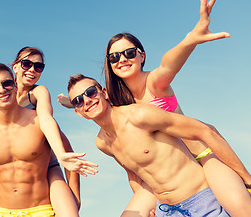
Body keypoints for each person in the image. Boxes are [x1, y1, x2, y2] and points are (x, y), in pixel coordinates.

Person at [59, 0, 251, 215]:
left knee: (241, 208)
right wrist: (69, 103)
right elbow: (91, 103)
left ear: (141, 56)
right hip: (167, 181)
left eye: (129, 53)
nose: (122, 59)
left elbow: (169, 63)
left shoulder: (155, 83)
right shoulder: (117, 99)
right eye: (114, 57)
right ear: (109, 65)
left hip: (203, 157)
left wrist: (191, 39)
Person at [0, 36, 97, 216]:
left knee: (69, 211)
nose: (32, 70)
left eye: (39, 67)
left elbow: (45, 118)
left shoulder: (38, 92)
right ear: (15, 66)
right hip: (10, 164)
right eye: (27, 64)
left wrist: (60, 155)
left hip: (47, 161)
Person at [67, 74, 251, 216]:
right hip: (167, 210)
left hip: (202, 199)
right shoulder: (102, 143)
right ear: (77, 111)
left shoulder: (140, 116)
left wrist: (246, 180)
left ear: (104, 92)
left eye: (90, 92)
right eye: (78, 100)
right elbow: (134, 173)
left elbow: (206, 131)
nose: (87, 100)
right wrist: (149, 208)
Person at [0, 63, 58, 216]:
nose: (2, 90)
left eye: (7, 83)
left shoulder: (39, 122)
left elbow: (68, 154)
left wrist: (76, 197)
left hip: (40, 210)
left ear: (15, 85)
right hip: (0, 211)